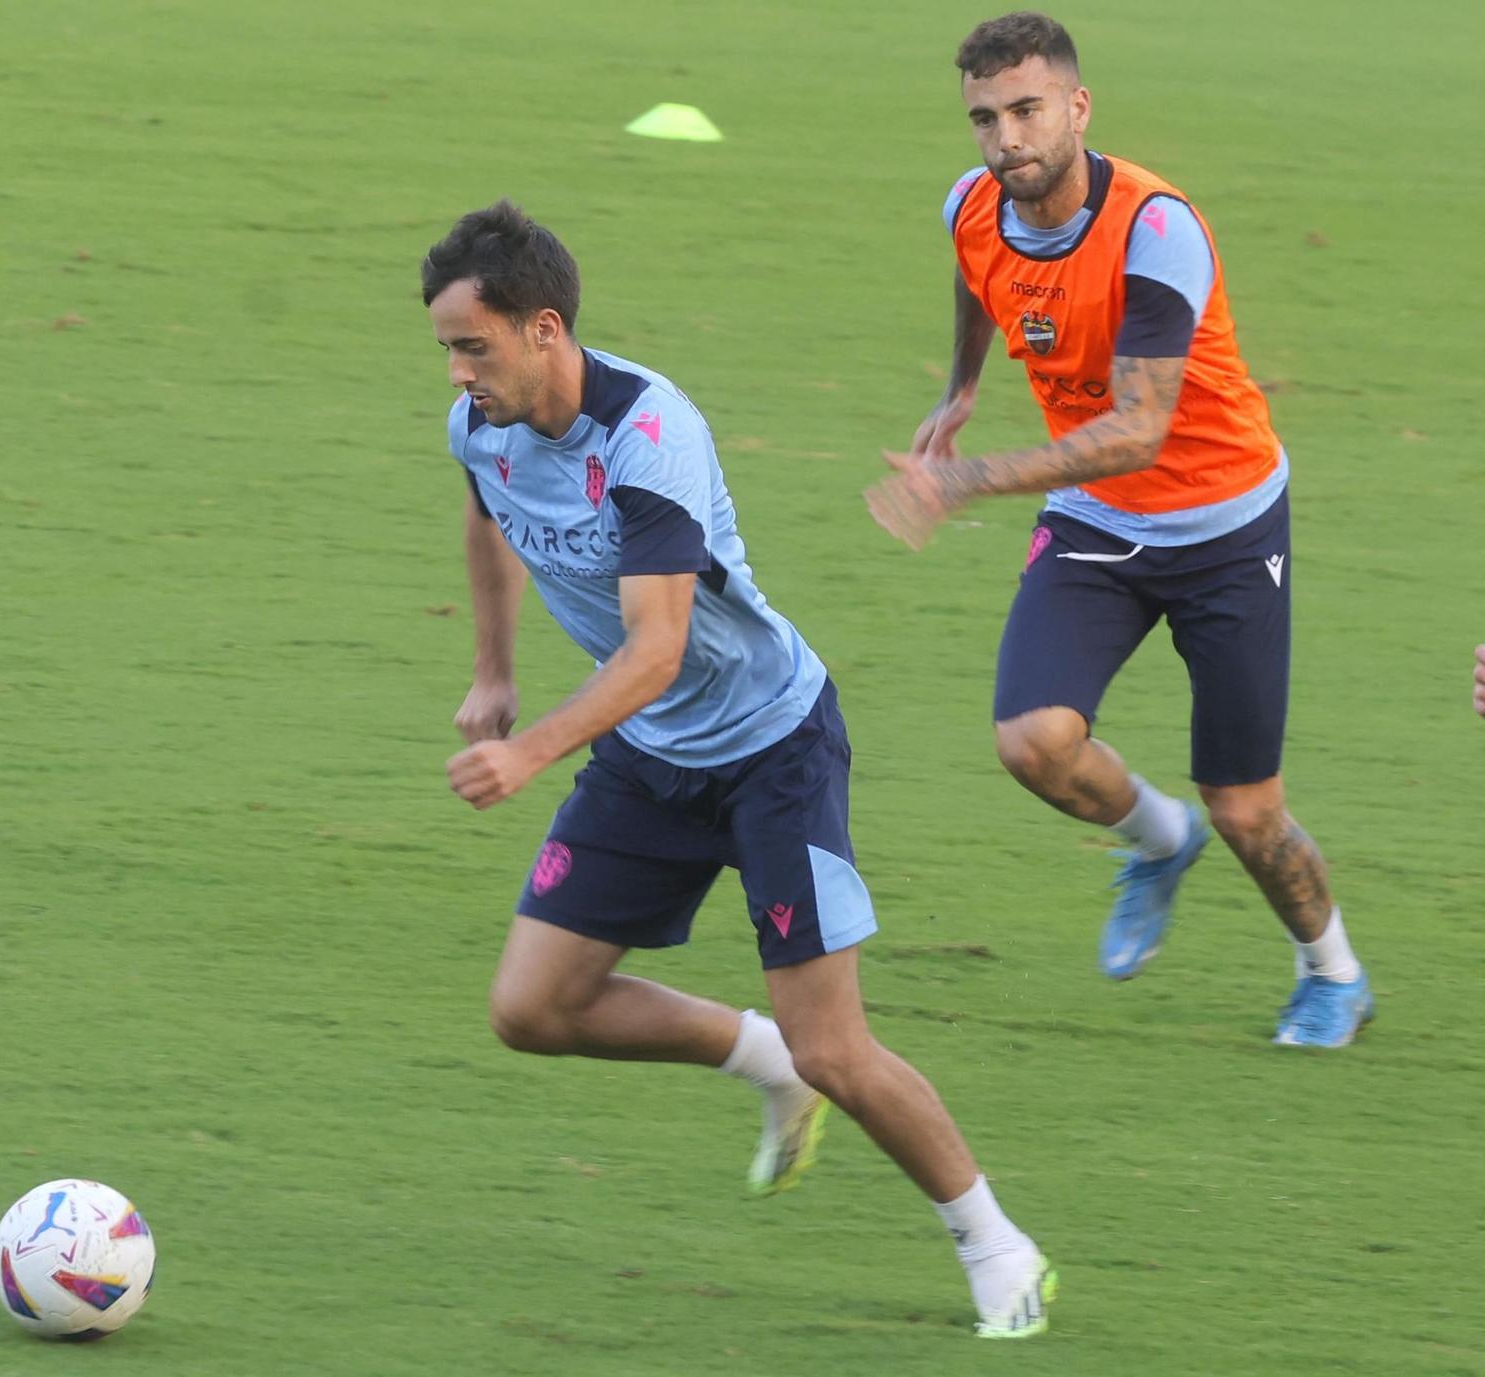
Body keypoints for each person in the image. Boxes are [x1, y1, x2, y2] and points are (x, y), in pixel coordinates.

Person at [426, 200, 1054, 1338]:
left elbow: (659, 650)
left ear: (544, 329)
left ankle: (993, 1242)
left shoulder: (647, 437)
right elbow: (487, 521)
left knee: (839, 1047)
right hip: (645, 755)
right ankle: (763, 1064)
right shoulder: (480, 427)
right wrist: (492, 670)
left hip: (771, 748)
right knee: (530, 1007)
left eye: (473, 345)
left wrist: (526, 750)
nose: (457, 371)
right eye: (447, 349)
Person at [865, 11, 1372, 1047]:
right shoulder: (971, 204)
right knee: (1031, 742)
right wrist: (962, 385)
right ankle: (1154, 840)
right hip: (1098, 523)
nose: (1005, 138)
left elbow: (1137, 430)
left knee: (1246, 810)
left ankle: (1331, 973)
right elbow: (977, 276)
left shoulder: (1153, 228)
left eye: (1025, 110)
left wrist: (962, 480)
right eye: (983, 118)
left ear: (1075, 107)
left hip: (1226, 525)